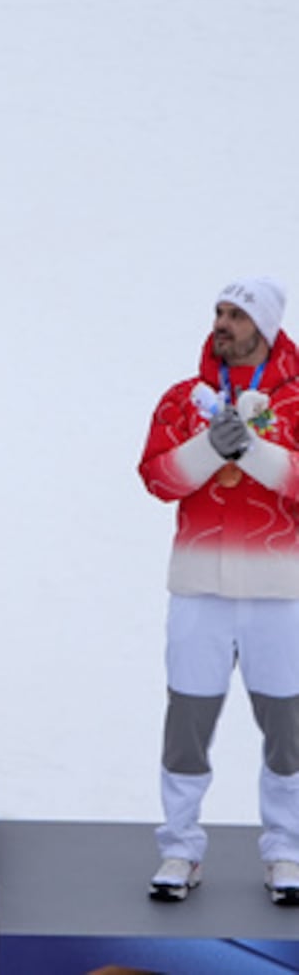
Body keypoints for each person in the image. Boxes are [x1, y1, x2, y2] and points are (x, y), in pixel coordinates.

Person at [138, 276, 299, 905]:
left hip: (280, 591)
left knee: (287, 727)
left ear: (266, 328)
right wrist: (210, 446)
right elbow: (158, 477)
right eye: (219, 311)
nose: (223, 323)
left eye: (237, 314)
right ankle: (179, 847)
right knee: (187, 722)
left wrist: (252, 450)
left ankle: (286, 849)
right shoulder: (185, 399)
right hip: (199, 589)